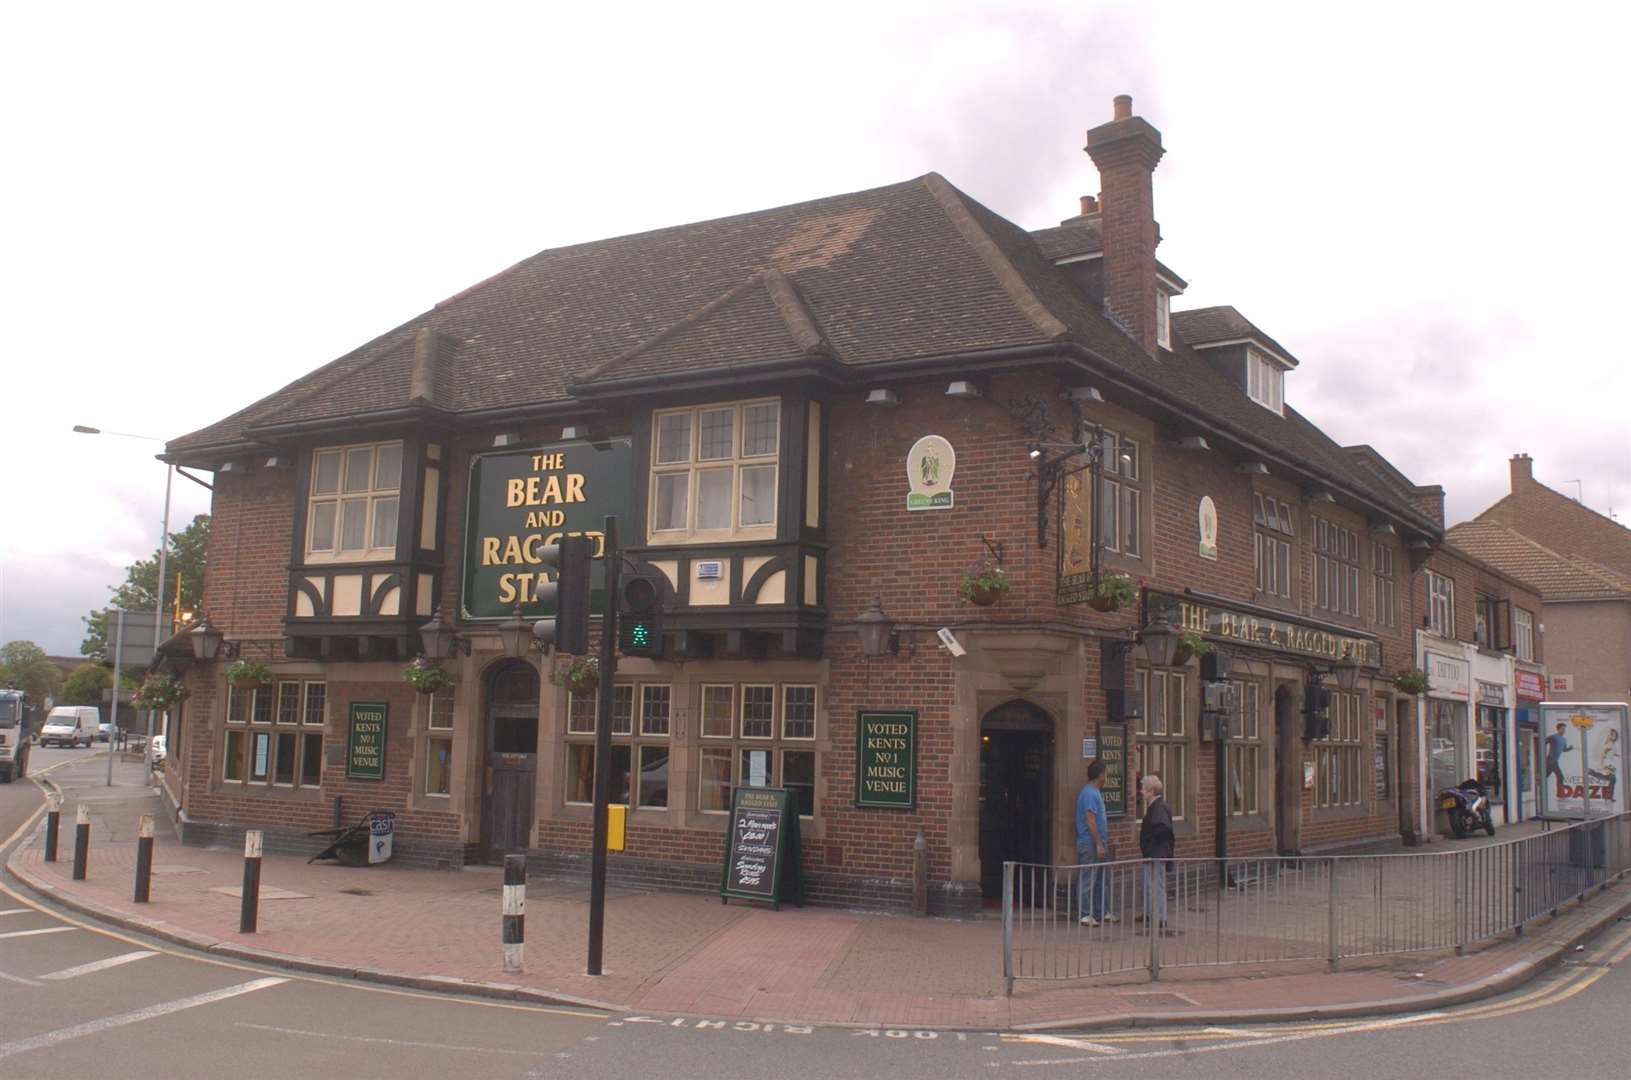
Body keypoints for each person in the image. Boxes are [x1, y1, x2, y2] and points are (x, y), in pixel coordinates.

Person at [1075, 760, 1117, 927]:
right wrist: (1099, 843)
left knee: (1101, 879)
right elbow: (1090, 820)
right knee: (1088, 878)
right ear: (1100, 775)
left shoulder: (1094, 792)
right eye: (1105, 774)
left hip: (1097, 842)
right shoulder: (1090, 793)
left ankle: (1101, 911)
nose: (1106, 777)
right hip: (1090, 843)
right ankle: (1085, 914)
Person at [1138, 774, 1175, 932]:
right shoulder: (1158, 806)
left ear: (1151, 791)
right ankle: (1150, 913)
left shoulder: (1157, 808)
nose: (1141, 792)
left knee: (1156, 885)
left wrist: (1151, 845)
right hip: (1154, 853)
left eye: (1143, 789)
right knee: (1150, 883)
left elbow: (1164, 829)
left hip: (1156, 854)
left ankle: (1160, 917)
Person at [1544, 722, 1571, 799]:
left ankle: (1536, 785)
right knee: (1560, 776)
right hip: (1550, 759)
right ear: (1558, 729)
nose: (1564, 731)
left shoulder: (1564, 739)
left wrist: (1570, 748)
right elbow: (1543, 742)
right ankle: (1560, 795)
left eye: (1565, 729)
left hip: (1555, 761)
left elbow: (1564, 749)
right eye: (1562, 729)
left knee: (1545, 775)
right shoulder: (1553, 737)